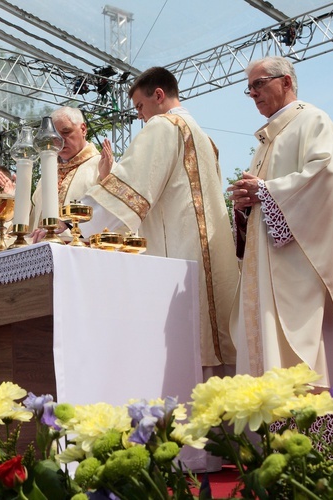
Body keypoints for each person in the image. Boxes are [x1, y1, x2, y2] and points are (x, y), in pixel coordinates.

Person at [79, 66, 239, 377]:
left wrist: (76, 222)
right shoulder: (206, 139)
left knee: (181, 360)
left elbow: (132, 187)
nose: (139, 116)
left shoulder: (163, 127)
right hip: (212, 259)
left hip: (179, 258)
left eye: (140, 106)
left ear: (159, 95)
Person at [227, 56, 333, 386]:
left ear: (286, 82)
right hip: (267, 267)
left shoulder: (313, 122)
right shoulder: (266, 139)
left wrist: (265, 191)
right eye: (249, 88)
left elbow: (325, 179)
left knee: (310, 362)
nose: (253, 93)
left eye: (259, 83)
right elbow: (262, 199)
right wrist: (245, 205)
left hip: (302, 270)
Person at [29, 106, 114, 239]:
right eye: (55, 135)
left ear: (83, 129)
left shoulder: (103, 166)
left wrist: (106, 181)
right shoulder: (47, 174)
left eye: (66, 132)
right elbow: (32, 220)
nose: (60, 140)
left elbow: (115, 214)